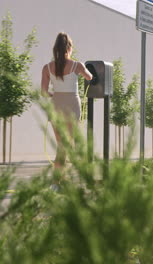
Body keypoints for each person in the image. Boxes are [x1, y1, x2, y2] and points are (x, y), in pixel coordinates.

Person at [41, 32, 93, 169]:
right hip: (72, 106)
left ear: (55, 49)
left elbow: (44, 92)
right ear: (69, 48)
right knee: (67, 144)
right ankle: (58, 180)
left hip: (56, 106)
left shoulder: (47, 68)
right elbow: (89, 77)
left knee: (61, 145)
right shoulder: (77, 65)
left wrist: (54, 95)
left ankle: (59, 180)